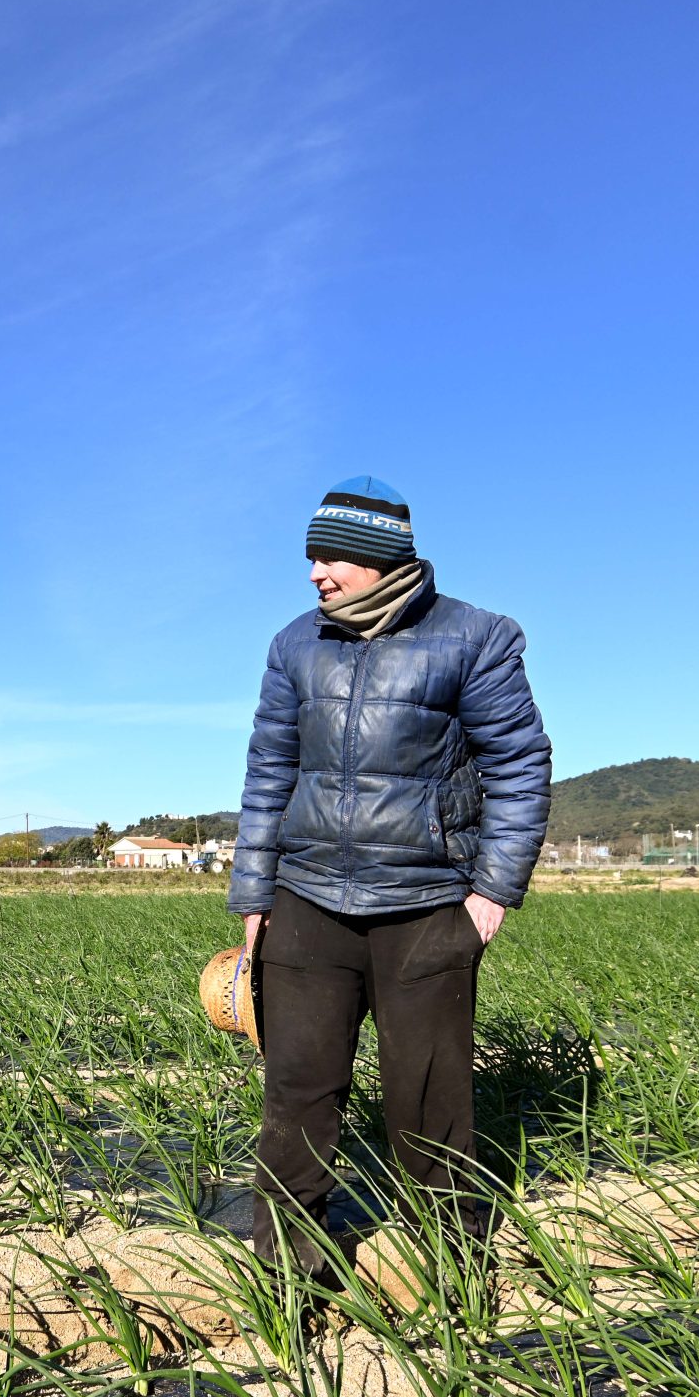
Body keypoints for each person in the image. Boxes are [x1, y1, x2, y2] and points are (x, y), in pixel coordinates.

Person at [229, 475, 551, 1279]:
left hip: (427, 904)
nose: (314, 573)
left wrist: (490, 892)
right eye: (311, 557)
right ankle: (288, 1274)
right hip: (306, 901)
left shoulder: (475, 637)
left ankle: (451, 1271)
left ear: (381, 558)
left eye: (331, 555)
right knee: (297, 1095)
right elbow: (269, 772)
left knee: (430, 1104)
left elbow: (520, 765)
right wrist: (253, 895)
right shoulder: (295, 644)